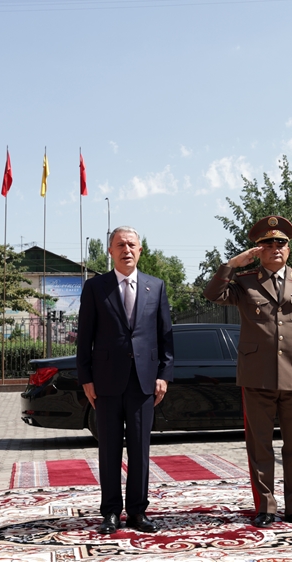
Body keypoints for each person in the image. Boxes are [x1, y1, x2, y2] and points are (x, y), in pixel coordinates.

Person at [203, 215, 292, 529]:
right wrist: (233, 264)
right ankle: (266, 508)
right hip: (257, 376)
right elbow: (212, 294)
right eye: (267, 243)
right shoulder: (244, 283)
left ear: (289, 248)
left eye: (280, 243)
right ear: (258, 249)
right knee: (260, 446)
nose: (275, 247)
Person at [76, 226, 174, 535]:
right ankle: (110, 512)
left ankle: (137, 512)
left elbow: (165, 337)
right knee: (109, 450)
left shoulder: (155, 287)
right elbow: (84, 339)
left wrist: (164, 375)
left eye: (132, 244)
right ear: (110, 251)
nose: (126, 249)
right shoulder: (96, 288)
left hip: (144, 383)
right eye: (120, 245)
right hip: (105, 383)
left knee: (140, 449)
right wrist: (86, 378)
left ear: (141, 250)